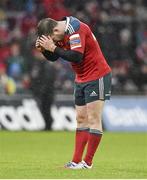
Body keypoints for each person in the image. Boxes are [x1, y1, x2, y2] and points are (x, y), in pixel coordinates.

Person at [35, 16, 112, 169]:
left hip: (97, 75)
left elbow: (76, 57)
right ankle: (76, 162)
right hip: (81, 78)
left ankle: (87, 163)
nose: (55, 42)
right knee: (81, 118)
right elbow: (55, 56)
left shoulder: (75, 29)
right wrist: (44, 50)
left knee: (94, 118)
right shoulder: (60, 32)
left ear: (55, 30)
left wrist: (52, 47)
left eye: (53, 39)